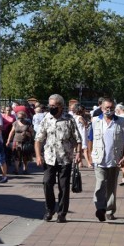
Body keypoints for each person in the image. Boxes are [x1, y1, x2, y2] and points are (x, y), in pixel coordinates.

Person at [34, 94, 82, 223]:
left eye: (54, 106)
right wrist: (38, 156)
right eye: (50, 105)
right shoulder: (46, 119)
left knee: (64, 187)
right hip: (49, 158)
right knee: (47, 183)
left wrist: (78, 153)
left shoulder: (69, 119)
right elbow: (38, 140)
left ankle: (62, 213)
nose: (51, 108)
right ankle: (50, 210)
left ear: (61, 106)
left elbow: (78, 138)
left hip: (65, 158)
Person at [88, 97, 124, 222]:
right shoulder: (95, 121)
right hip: (99, 159)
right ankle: (100, 208)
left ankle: (110, 211)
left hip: (115, 159)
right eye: (106, 108)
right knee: (100, 184)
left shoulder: (120, 121)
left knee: (111, 187)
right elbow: (90, 138)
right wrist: (90, 154)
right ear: (101, 108)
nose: (109, 110)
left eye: (111, 108)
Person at [6, 109, 34, 175]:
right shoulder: (15, 123)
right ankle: (16, 169)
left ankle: (25, 169)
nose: (20, 119)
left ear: (24, 117)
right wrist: (8, 141)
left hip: (25, 142)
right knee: (16, 156)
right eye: (19, 118)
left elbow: (32, 133)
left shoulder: (27, 123)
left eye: (22, 118)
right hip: (16, 141)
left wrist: (27, 133)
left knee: (25, 156)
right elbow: (12, 132)